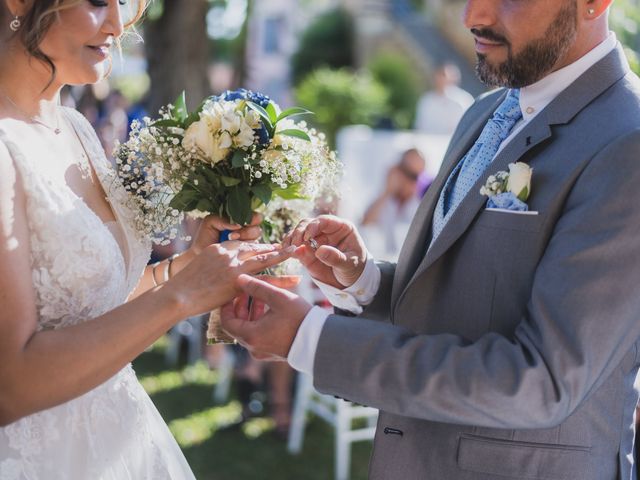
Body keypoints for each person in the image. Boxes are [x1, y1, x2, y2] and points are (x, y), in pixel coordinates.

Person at [221, 0, 640, 478]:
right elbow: (468, 303)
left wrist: (310, 340)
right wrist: (365, 282)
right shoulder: (485, 112)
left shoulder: (628, 143)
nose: (472, 18)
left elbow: (541, 381)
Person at [0, 1, 294, 478]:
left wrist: (188, 265)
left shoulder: (72, 126)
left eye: (125, 2)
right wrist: (182, 296)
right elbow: (7, 387)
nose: (119, 25)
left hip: (119, 440)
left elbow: (95, 304)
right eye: (99, 2)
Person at [360, 148, 426, 260]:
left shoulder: (423, 205)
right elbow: (365, 224)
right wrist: (387, 192)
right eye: (405, 171)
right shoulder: (384, 199)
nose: (411, 181)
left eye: (415, 176)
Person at [414, 62, 474, 136]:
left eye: (444, 75)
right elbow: (419, 126)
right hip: (427, 141)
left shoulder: (463, 100)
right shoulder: (426, 99)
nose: (441, 79)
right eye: (440, 75)